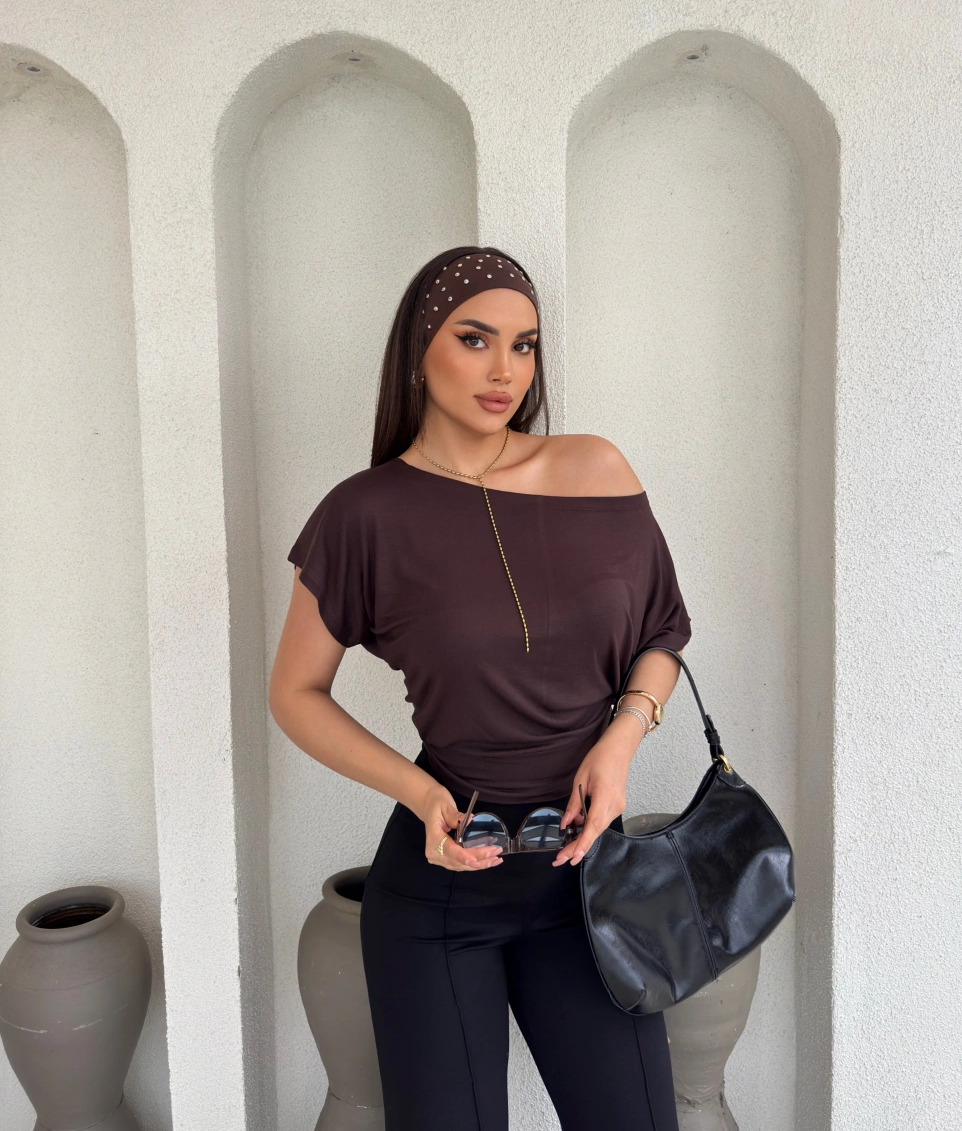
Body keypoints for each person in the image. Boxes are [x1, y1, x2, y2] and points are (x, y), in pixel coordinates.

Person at [269, 244, 692, 1131]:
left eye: (525, 345)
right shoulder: (364, 513)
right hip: (441, 892)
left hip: (587, 880)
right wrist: (419, 792)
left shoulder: (596, 469)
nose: (506, 369)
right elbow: (295, 691)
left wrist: (620, 742)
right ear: (420, 348)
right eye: (475, 339)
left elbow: (662, 633)